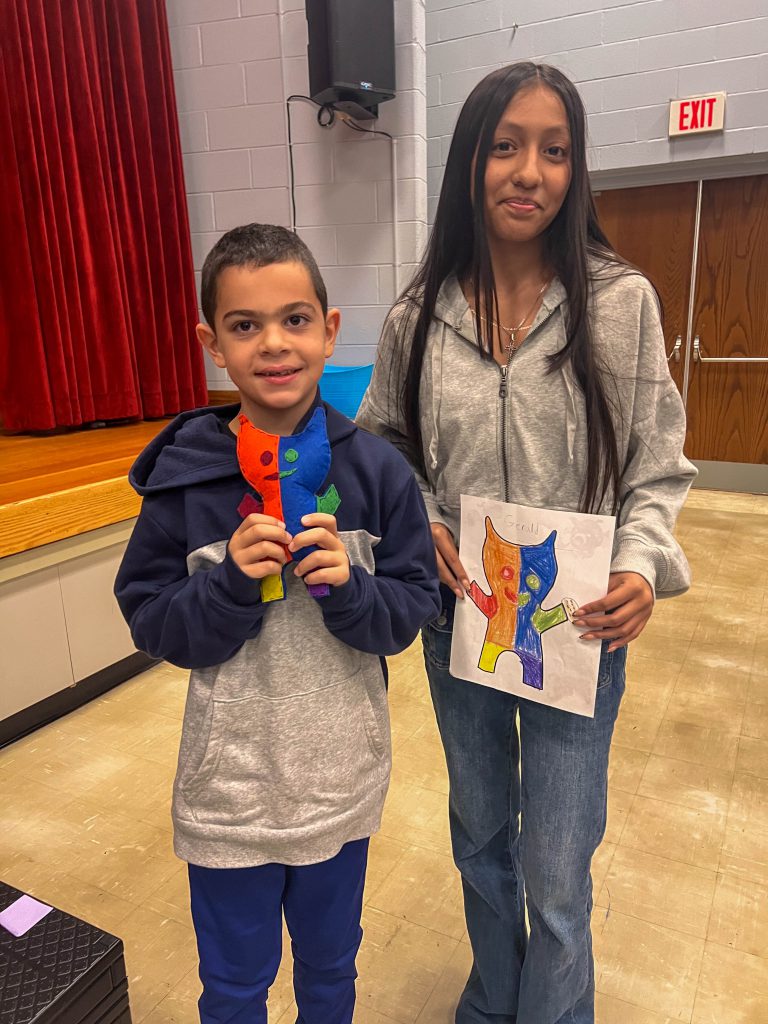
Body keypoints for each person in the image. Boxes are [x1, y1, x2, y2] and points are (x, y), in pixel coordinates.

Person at [357, 63, 696, 1024]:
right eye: (505, 144)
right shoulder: (416, 317)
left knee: (554, 864)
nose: (529, 170)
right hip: (461, 618)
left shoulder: (619, 303)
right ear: (470, 159)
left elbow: (658, 464)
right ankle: (489, 1001)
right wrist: (415, 518)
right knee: (478, 838)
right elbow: (382, 441)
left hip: (574, 627)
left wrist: (638, 565)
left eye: (555, 149)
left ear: (576, 169)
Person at [114, 223, 440, 1024]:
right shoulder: (184, 484)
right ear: (211, 344)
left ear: (330, 332)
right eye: (244, 324)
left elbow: (413, 608)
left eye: (295, 319)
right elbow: (151, 621)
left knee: (331, 976)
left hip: (340, 785)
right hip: (229, 796)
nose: (274, 344)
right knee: (233, 987)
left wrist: (354, 591)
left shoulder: (376, 471)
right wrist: (226, 584)